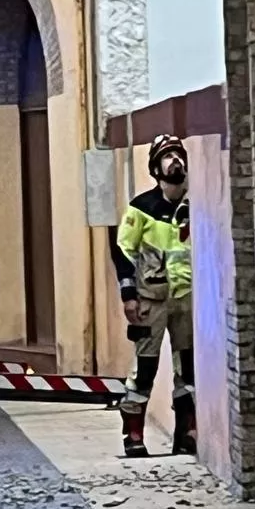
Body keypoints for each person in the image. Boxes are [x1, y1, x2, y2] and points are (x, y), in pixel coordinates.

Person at [110, 134, 195, 459]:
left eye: (178, 155)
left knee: (188, 368)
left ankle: (187, 432)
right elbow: (123, 250)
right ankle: (133, 433)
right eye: (167, 157)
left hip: (186, 298)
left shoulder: (194, 204)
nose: (175, 162)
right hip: (150, 299)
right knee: (145, 367)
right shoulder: (142, 208)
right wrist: (128, 295)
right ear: (156, 167)